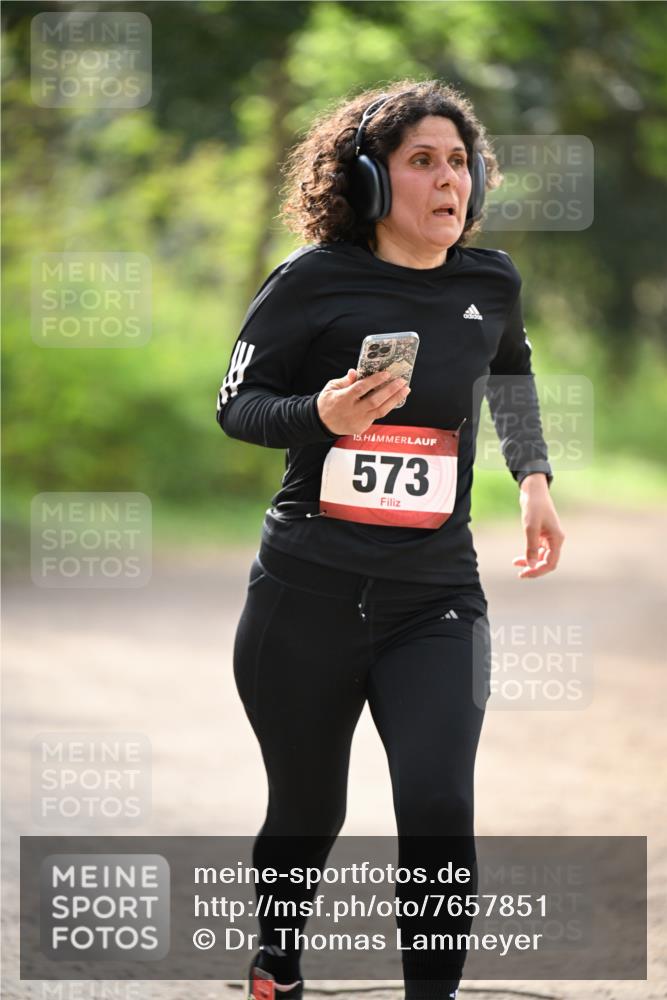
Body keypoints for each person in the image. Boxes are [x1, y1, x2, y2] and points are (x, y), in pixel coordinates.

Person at [215, 80, 564, 1000]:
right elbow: (236, 407)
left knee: (441, 805)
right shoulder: (310, 281)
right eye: (421, 161)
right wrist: (319, 411)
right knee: (305, 808)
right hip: (306, 593)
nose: (448, 180)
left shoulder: (489, 281)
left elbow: (512, 372)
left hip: (434, 596)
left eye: (459, 162)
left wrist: (532, 478)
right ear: (371, 183)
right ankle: (277, 959)